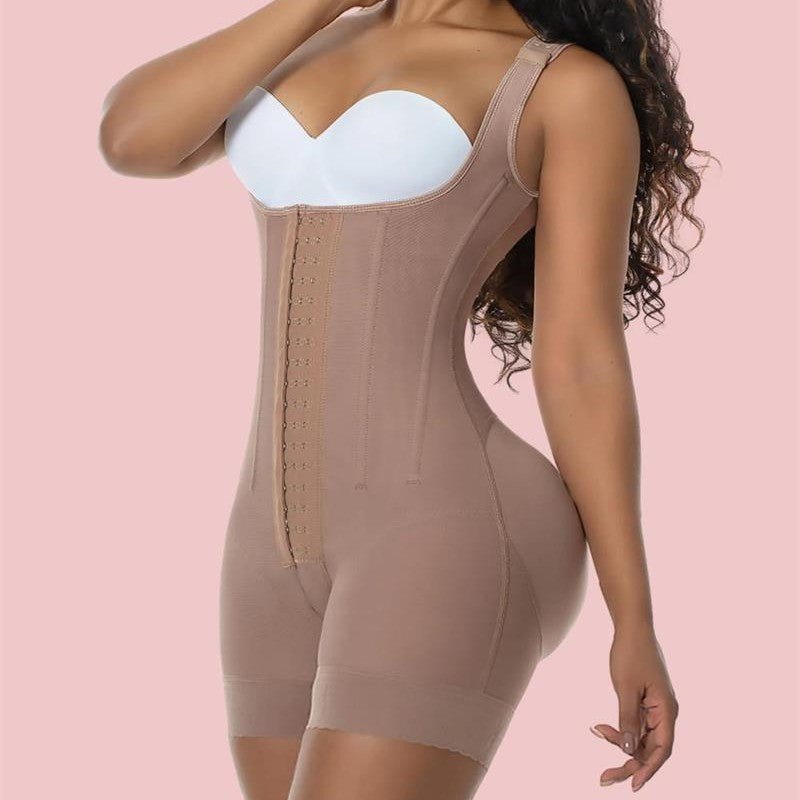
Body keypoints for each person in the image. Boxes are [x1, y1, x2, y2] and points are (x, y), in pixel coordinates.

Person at [99, 0, 706, 796]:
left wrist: (634, 621)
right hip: (264, 543)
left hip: (448, 528)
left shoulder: (562, 86)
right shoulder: (307, 37)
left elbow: (579, 360)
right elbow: (131, 139)